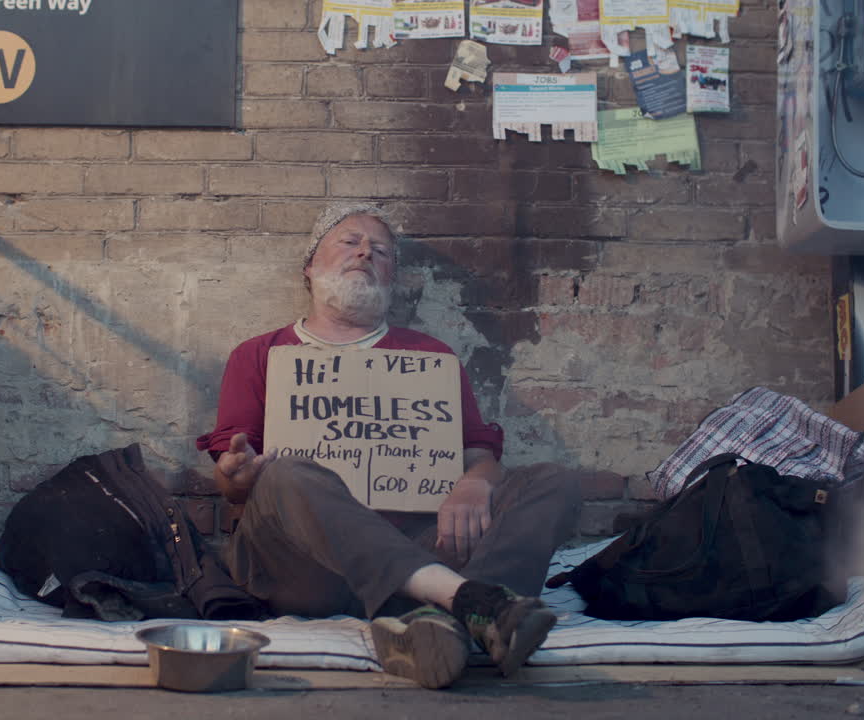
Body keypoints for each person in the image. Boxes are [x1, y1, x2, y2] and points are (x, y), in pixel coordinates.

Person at [196, 202, 580, 688]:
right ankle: (473, 604)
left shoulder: (429, 357)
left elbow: (477, 451)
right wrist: (238, 473)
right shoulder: (260, 355)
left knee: (553, 482)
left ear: (391, 277)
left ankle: (441, 626)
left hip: (417, 548)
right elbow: (232, 487)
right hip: (302, 570)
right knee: (284, 471)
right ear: (310, 266)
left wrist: (475, 483)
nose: (364, 254)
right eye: (349, 242)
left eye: (380, 251)